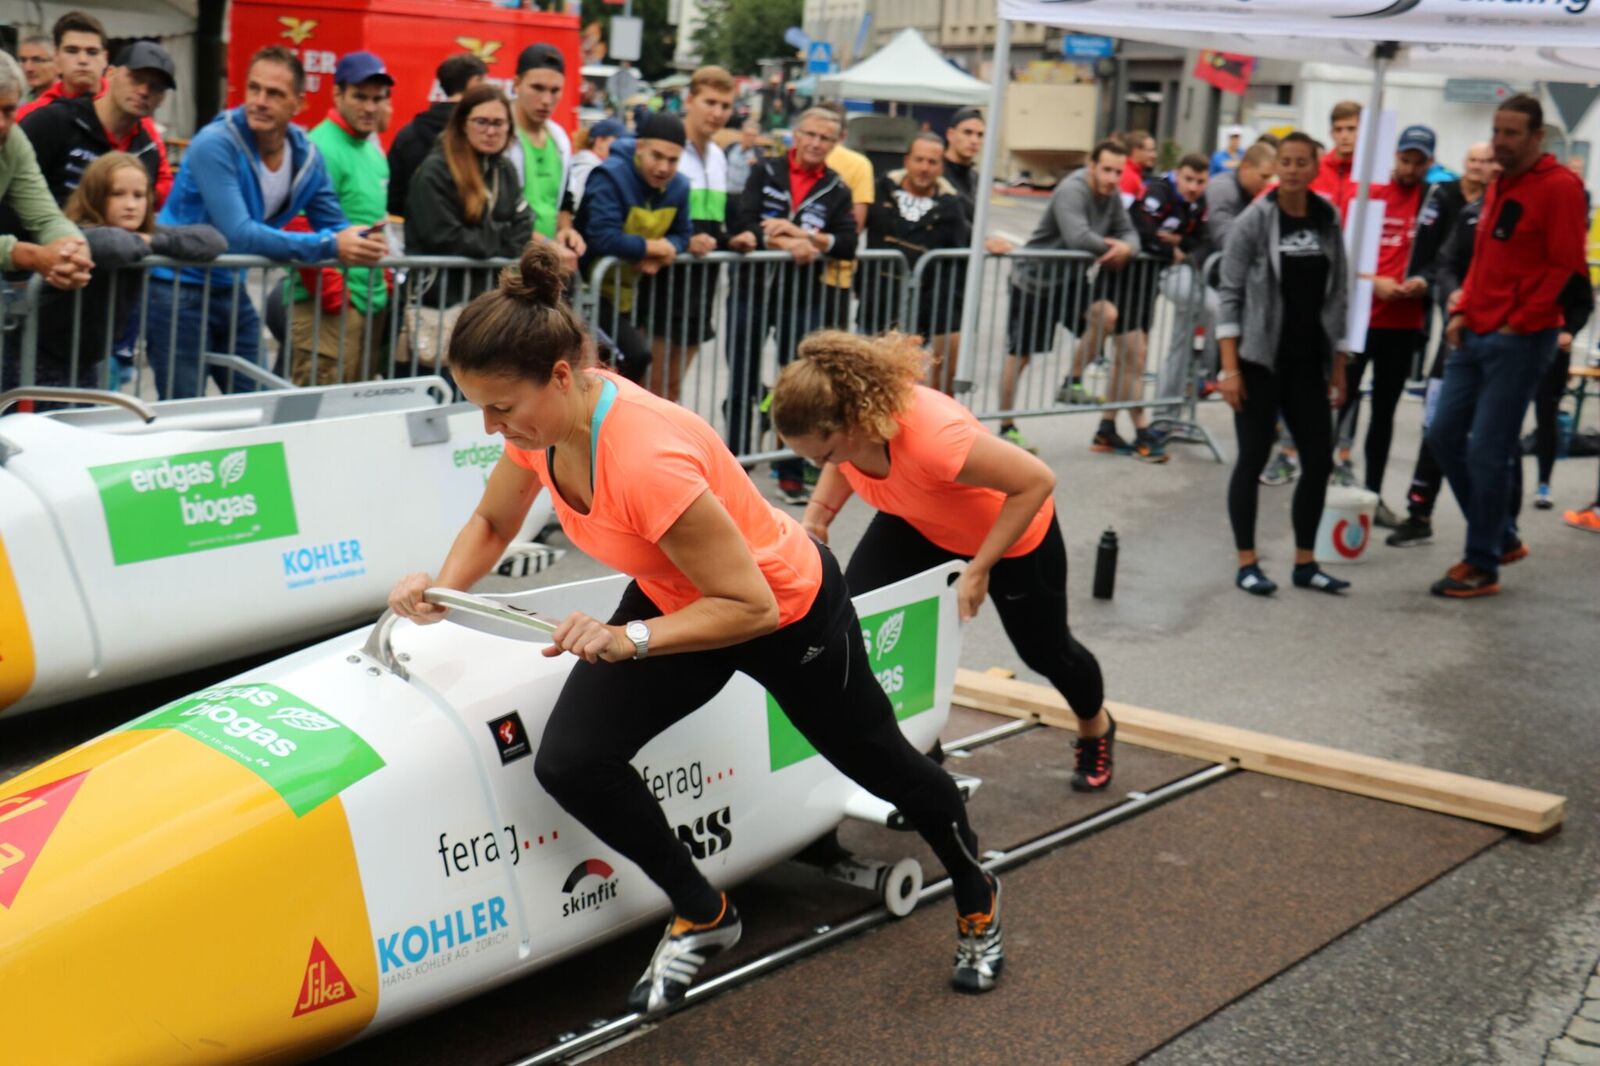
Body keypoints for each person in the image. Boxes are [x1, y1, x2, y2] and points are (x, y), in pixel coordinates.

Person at [387, 242, 1006, 1007]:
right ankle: (704, 912)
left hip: (784, 610)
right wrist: (439, 593)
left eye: (500, 407)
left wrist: (630, 638)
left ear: (560, 375)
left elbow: (747, 606)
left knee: (885, 766)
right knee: (573, 762)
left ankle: (975, 884)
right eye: (477, 405)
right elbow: (491, 519)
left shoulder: (644, 458)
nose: (489, 427)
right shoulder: (538, 430)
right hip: (680, 596)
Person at [772, 330, 1116, 792]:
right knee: (858, 631)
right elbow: (843, 463)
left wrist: (979, 569)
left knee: (1046, 652)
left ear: (855, 420)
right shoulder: (851, 434)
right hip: (916, 521)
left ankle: (1096, 728)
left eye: (824, 453)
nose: (820, 464)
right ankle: (920, 748)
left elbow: (1036, 481)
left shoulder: (934, 438)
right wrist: (816, 516)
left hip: (1009, 534)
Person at [148, 46, 384, 399]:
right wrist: (332, 245)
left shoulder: (306, 155)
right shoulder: (215, 143)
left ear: (299, 103)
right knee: (182, 412)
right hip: (178, 286)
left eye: (274, 93)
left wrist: (365, 239)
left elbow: (335, 223)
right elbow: (237, 235)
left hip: (229, 285)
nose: (260, 101)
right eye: (254, 89)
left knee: (261, 403)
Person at [1427, 95, 1589, 597]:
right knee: (1444, 436)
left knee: (1488, 450)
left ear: (1538, 137)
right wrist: (1460, 311)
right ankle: (1501, 534)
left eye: (1513, 132)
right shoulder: (1500, 183)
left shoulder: (1561, 187)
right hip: (1476, 331)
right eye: (1497, 130)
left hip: (1520, 339)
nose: (1500, 140)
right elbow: (1482, 260)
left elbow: (1565, 266)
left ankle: (1482, 563)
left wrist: (1521, 323)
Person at [1215, 132, 1351, 596]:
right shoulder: (1255, 219)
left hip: (1309, 362)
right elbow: (1229, 292)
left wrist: (1338, 365)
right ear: (1277, 168)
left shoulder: (1327, 218)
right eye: (1285, 162)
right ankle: (1247, 562)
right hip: (1258, 362)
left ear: (1316, 167)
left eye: (1301, 162)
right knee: (1252, 457)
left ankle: (1305, 562)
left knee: (1318, 460)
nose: (1292, 169)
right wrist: (1229, 368)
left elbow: (1340, 294)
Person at [725, 106, 859, 504]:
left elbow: (848, 242)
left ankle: (788, 468)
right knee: (741, 381)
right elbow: (745, 222)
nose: (817, 144)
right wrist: (787, 243)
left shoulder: (837, 187)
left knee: (797, 385)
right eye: (811, 135)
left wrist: (807, 237)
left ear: (836, 144)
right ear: (796, 135)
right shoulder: (763, 170)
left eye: (826, 138)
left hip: (801, 297)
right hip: (751, 290)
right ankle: (732, 463)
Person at [16, 153, 223, 394]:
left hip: (87, 361)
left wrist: (149, 240)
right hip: (38, 358)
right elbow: (114, 245)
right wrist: (155, 243)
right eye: (117, 194)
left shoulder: (139, 233)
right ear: (95, 196)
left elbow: (214, 240)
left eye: (139, 195)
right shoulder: (75, 233)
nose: (131, 205)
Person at [1387, 145, 1499, 548]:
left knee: (1493, 442)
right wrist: (1451, 298)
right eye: (1475, 160)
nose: (1481, 168)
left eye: (1489, 161)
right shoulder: (1459, 207)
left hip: (1506, 344)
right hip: (1456, 339)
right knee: (1437, 428)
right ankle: (1420, 511)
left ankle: (1500, 529)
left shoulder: (1510, 210)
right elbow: (1442, 263)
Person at [1001, 141, 1142, 457]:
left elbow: (1130, 233)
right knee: (1020, 355)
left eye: (1118, 172)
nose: (1111, 178)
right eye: (1106, 170)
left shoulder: (1112, 196)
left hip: (1069, 280)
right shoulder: (1072, 190)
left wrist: (1128, 248)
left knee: (1106, 315)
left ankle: (1072, 380)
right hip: (1034, 279)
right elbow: (1077, 236)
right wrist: (1114, 247)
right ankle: (1005, 425)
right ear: (1091, 166)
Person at [1332, 125, 1437, 524]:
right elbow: (1344, 253)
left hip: (1403, 323)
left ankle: (1373, 497)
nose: (1410, 168)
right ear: (1394, 157)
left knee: (1384, 414)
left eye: (1418, 162)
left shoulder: (1432, 201)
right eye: (1405, 159)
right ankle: (1321, 489)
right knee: (1341, 402)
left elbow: (1440, 257)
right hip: (1362, 320)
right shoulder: (1371, 194)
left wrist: (1421, 283)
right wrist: (1372, 282)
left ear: (1429, 162)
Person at [286, 51, 393, 386]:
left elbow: (373, 220)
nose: (370, 107)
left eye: (378, 98)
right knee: (319, 419)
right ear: (337, 94)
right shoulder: (320, 146)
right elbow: (299, 223)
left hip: (364, 302)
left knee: (353, 418)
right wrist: (336, 297)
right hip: (330, 309)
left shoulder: (373, 151)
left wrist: (383, 281)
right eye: (360, 96)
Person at [404, 83, 532, 359]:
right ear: (463, 124)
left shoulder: (505, 170)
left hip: (487, 309)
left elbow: (524, 225)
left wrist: (492, 240)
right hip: (438, 305)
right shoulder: (435, 171)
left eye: (499, 123)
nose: (490, 131)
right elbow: (447, 239)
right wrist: (500, 238)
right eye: (481, 122)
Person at [575, 112, 691, 385]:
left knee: (617, 366)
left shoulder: (681, 186)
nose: (663, 167)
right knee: (634, 356)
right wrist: (652, 248)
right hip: (587, 290)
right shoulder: (609, 175)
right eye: (657, 156)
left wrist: (665, 250)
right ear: (640, 147)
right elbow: (602, 237)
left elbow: (683, 234)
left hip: (629, 294)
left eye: (673, 160)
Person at [641, 67, 734, 402]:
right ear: (690, 100)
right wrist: (684, 241)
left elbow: (715, 224)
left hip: (702, 283)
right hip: (661, 280)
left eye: (725, 106)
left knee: (673, 389)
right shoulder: (668, 150)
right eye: (710, 102)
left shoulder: (720, 157)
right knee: (650, 387)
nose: (718, 113)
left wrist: (730, 240)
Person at [861, 133, 969, 393]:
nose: (924, 168)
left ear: (941, 167)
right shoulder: (880, 189)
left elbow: (960, 255)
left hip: (923, 308)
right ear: (907, 160)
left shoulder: (952, 206)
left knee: (906, 384)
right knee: (869, 376)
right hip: (877, 302)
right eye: (919, 160)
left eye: (932, 162)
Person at [0, 51, 92, 334]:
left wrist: (73, 249)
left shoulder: (13, 141)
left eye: (8, 110)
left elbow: (45, 216)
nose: (2, 124)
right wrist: (25, 254)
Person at [21, 41, 174, 208]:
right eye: (135, 78)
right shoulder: (53, 122)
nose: (144, 91)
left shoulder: (148, 152)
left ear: (163, 99)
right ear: (110, 74)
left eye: (156, 87)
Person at [1123, 152, 1209, 445]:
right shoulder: (1159, 191)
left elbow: (1201, 239)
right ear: (1177, 174)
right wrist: (1169, 249)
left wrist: (1180, 244)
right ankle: (1111, 423)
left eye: (1200, 181)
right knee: (1132, 350)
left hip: (1170, 271)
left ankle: (1165, 411)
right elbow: (1141, 228)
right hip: (1140, 274)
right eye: (1188, 179)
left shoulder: (1199, 202)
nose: (1194, 187)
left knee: (1186, 332)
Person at [508, 43, 585, 273]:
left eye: (555, 90)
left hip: (545, 267)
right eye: (537, 88)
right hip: (508, 263)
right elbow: (499, 211)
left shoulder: (559, 137)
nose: (546, 99)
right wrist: (546, 245)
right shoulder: (501, 134)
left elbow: (563, 200)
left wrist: (565, 231)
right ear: (516, 85)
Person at [386, 53, 486, 220]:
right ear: (474, 83)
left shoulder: (407, 134)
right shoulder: (480, 136)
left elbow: (394, 197)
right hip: (466, 237)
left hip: (413, 236)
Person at [819, 102, 873, 331]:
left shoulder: (857, 164)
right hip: (831, 272)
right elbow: (855, 225)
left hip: (832, 274)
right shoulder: (859, 164)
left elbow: (855, 225)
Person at [1204, 141, 1274, 249]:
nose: (1267, 184)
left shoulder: (1251, 191)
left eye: (1270, 178)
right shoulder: (1223, 189)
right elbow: (1226, 241)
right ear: (1245, 167)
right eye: (1264, 176)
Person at [1310, 101, 1361, 211]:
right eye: (1338, 130)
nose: (1344, 136)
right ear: (1331, 133)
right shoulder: (1315, 170)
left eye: (1351, 129)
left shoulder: (1371, 174)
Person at [567, 118, 624, 211]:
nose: (622, 146)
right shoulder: (587, 169)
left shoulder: (589, 165)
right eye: (618, 140)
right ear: (599, 141)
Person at [1117, 129, 1156, 206]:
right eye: (1150, 151)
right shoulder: (1128, 176)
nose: (1154, 155)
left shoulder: (1133, 173)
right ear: (1136, 151)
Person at [726, 119, 762, 196]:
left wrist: (757, 164)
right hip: (726, 192)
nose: (750, 138)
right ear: (742, 133)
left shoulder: (758, 154)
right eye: (748, 135)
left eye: (753, 136)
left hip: (743, 197)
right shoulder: (731, 147)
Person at [18, 36, 56, 103]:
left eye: (37, 60)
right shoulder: (19, 103)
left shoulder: (70, 103)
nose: (28, 68)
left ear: (56, 62)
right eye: (23, 60)